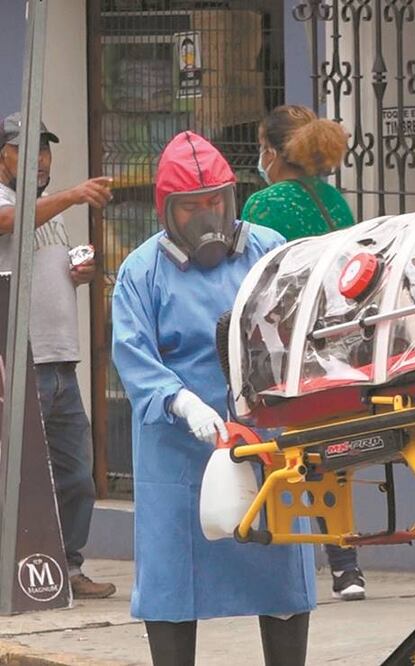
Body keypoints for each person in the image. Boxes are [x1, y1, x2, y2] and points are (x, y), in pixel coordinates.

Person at [111, 131, 315, 665]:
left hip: (262, 439)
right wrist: (182, 402)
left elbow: (303, 330)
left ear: (231, 198)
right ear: (166, 211)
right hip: (177, 451)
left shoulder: (270, 251)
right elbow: (133, 356)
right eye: (192, 208)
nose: (207, 218)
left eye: (215, 204)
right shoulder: (141, 273)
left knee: (281, 567)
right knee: (172, 580)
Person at [244, 104, 366, 602]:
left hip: (288, 342)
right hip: (339, 337)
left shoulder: (264, 203)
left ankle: (284, 555)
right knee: (329, 449)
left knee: (286, 450)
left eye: (260, 148)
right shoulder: (335, 200)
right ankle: (346, 564)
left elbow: (252, 278)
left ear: (272, 153)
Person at [0, 112, 116, 599]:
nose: (40, 158)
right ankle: (15, 573)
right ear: (3, 155)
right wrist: (69, 194)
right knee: (18, 476)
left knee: (75, 475)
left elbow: (53, 264)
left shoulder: (51, 211)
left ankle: (67, 567)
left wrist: (80, 272)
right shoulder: (11, 201)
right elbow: (7, 222)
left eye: (45, 149)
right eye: (27, 149)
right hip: (20, 361)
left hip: (61, 361)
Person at [242, 104, 354, 241]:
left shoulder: (262, 203)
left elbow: (254, 258)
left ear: (271, 153)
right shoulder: (333, 196)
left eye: (262, 146)